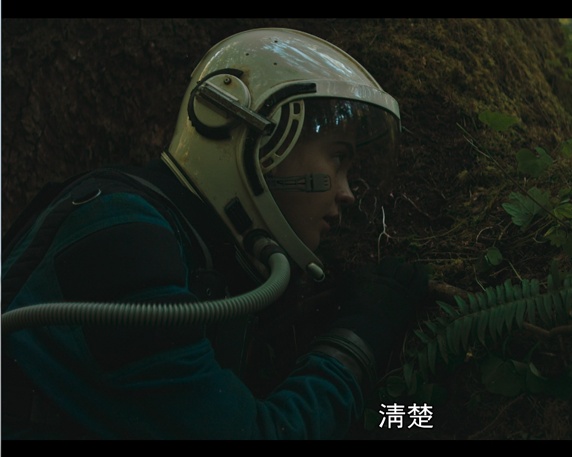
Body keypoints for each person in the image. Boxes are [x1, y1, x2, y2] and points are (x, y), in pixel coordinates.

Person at [1, 28, 430, 439]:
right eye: (337, 159)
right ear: (266, 141)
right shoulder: (124, 238)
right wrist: (358, 337)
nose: (347, 193)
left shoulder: (193, 245)